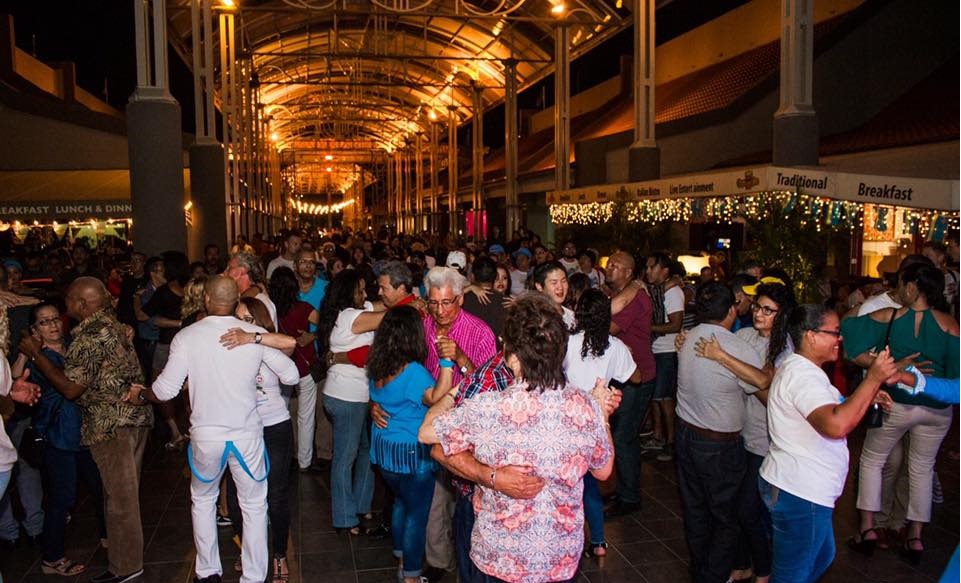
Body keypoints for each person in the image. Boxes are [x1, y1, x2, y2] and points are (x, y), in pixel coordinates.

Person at [419, 293, 617, 583]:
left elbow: (428, 434)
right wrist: (603, 416)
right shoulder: (584, 405)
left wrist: (454, 394)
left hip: (499, 557)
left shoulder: (487, 407)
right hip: (558, 558)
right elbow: (604, 470)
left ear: (511, 356)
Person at [129, 276, 299, 583]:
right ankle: (254, 576)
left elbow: (166, 391)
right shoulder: (251, 333)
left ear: (206, 299)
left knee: (204, 500)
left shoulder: (188, 337)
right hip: (246, 435)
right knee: (254, 505)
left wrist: (142, 393)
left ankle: (208, 572)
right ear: (235, 301)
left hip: (207, 437)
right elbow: (290, 375)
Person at [18, 277, 153, 583]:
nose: (66, 306)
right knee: (122, 498)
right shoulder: (114, 325)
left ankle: (126, 568)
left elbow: (70, 389)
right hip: (132, 421)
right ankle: (126, 564)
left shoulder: (90, 336)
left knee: (120, 501)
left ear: (81, 303)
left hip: (111, 427)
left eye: (68, 300)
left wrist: (36, 354)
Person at [760, 304, 898, 583]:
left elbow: (825, 408)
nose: (840, 339)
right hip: (800, 492)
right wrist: (872, 379)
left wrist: (864, 396)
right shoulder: (803, 376)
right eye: (834, 332)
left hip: (800, 487)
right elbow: (835, 425)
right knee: (793, 575)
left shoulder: (804, 369)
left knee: (822, 556)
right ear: (810, 335)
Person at [843, 263, 959, 564]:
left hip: (896, 403)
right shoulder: (951, 324)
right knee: (921, 468)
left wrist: (887, 365)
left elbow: (849, 331)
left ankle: (867, 530)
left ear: (911, 287)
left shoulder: (890, 316)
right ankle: (915, 537)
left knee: (872, 461)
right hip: (936, 409)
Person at [686, 281, 796, 583]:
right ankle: (744, 563)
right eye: (757, 306)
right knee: (736, 508)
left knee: (747, 509)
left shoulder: (786, 348)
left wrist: (727, 363)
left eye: (768, 310)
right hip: (741, 432)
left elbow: (771, 393)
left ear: (782, 314)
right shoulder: (744, 335)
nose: (758, 313)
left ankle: (764, 569)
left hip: (767, 437)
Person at [674, 282, 763, 583]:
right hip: (718, 444)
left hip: (685, 435)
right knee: (726, 517)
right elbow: (761, 386)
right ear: (731, 310)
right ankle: (711, 577)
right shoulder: (736, 346)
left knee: (696, 510)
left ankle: (700, 569)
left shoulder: (687, 337)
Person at [10, 303, 107, 576]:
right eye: (44, 322)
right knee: (63, 496)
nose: (53, 325)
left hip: (85, 429)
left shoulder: (73, 343)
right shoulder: (32, 355)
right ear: (33, 329)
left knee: (100, 487)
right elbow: (15, 379)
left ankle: (108, 535)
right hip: (57, 432)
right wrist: (25, 351)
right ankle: (51, 558)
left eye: (55, 319)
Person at [367, 306, 453, 583]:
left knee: (401, 503)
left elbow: (379, 398)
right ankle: (412, 575)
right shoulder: (413, 371)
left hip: (385, 449)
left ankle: (402, 556)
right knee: (418, 514)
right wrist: (447, 363)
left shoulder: (377, 365)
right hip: (411, 452)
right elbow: (436, 397)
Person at [220, 297, 298, 583]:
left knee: (275, 494)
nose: (241, 323)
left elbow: (291, 355)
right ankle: (249, 552)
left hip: (273, 426)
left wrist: (254, 340)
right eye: (238, 317)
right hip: (240, 428)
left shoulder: (268, 345)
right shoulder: (227, 345)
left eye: (249, 318)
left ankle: (278, 554)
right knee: (235, 497)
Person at [564, 288, 636, 558]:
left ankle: (571, 538)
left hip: (568, 418)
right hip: (597, 420)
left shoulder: (568, 343)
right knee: (593, 482)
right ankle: (598, 541)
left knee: (570, 482)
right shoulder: (614, 346)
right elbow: (634, 377)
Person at [318, 270, 386, 534]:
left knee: (364, 451)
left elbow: (384, 304)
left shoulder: (352, 311)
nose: (365, 294)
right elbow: (388, 316)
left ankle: (360, 503)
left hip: (345, 394)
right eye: (360, 289)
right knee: (345, 459)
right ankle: (345, 518)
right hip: (348, 398)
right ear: (350, 293)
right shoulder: (350, 316)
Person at [603, 251, 656, 518]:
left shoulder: (634, 298)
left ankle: (629, 496)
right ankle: (622, 488)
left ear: (628, 273)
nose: (608, 267)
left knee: (625, 438)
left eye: (614, 265)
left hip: (638, 376)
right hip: (625, 375)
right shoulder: (620, 295)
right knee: (620, 435)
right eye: (608, 264)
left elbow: (609, 328)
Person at [269, 267, 320, 473]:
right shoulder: (304, 308)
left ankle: (280, 458)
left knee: (279, 415)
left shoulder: (269, 310)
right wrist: (312, 336)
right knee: (306, 417)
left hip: (278, 368)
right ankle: (304, 461)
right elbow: (326, 325)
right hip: (304, 366)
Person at [142, 250, 189, 450]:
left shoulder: (163, 291)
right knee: (189, 387)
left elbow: (143, 315)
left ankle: (175, 432)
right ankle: (192, 428)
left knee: (160, 386)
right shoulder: (191, 289)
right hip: (188, 343)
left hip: (166, 344)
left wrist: (137, 299)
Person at [644, 252, 684, 462]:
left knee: (665, 397)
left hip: (667, 350)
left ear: (665, 271)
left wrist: (647, 327)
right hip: (656, 348)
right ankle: (658, 436)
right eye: (648, 267)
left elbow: (676, 324)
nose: (648, 271)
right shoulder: (657, 290)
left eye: (653, 267)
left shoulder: (673, 292)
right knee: (656, 397)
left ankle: (671, 442)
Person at [462, 257, 506, 344]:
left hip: (465, 353)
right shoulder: (507, 303)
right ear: (495, 277)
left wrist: (469, 288)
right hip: (495, 354)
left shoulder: (461, 300)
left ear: (472, 276)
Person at [532, 261, 574, 327]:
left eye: (563, 281)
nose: (560, 287)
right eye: (554, 283)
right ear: (539, 286)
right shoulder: (535, 319)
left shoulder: (572, 316)